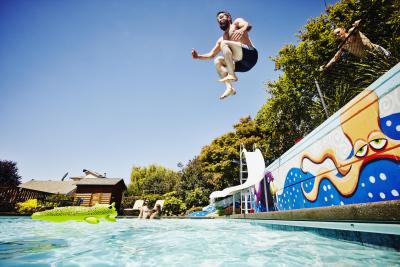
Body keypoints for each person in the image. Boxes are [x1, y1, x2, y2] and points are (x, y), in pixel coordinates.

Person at [192, 11, 258, 100]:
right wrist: (198, 56)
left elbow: (248, 25)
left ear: (229, 18)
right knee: (217, 60)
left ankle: (231, 75)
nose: (220, 20)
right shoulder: (222, 39)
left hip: (251, 55)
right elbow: (211, 55)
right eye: (218, 19)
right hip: (243, 66)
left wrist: (242, 29)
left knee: (224, 43)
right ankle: (229, 88)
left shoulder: (236, 23)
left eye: (221, 17)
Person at [320, 20, 390, 71]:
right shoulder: (343, 45)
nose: (337, 34)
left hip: (378, 52)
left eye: (338, 32)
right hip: (370, 60)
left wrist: (358, 23)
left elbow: (358, 26)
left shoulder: (352, 31)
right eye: (336, 35)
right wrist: (326, 66)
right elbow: (335, 57)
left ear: (343, 29)